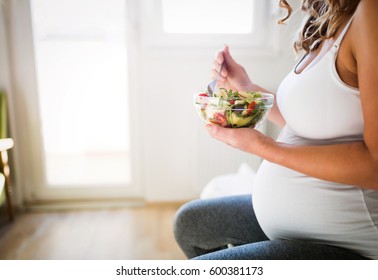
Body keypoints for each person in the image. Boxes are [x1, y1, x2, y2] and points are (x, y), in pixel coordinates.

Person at [174, 0, 378, 260]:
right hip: (299, 227)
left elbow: (375, 165)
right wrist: (246, 85)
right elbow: (309, 120)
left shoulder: (370, 12)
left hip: (347, 243)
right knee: (191, 225)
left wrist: (262, 146)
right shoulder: (331, 15)